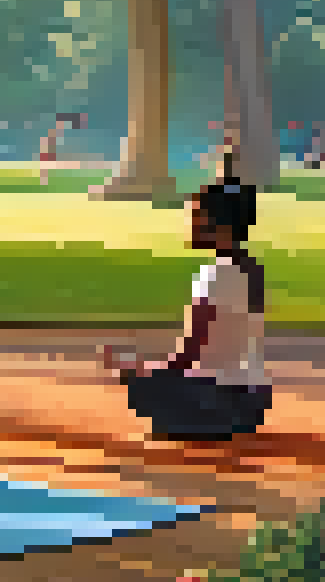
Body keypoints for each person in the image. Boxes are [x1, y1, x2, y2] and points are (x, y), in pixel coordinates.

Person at [103, 179, 272, 441]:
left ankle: (193, 425)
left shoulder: (214, 274)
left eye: (197, 217)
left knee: (139, 384)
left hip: (219, 402)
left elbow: (188, 354)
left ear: (221, 226)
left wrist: (141, 370)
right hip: (254, 403)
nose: (191, 225)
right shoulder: (253, 270)